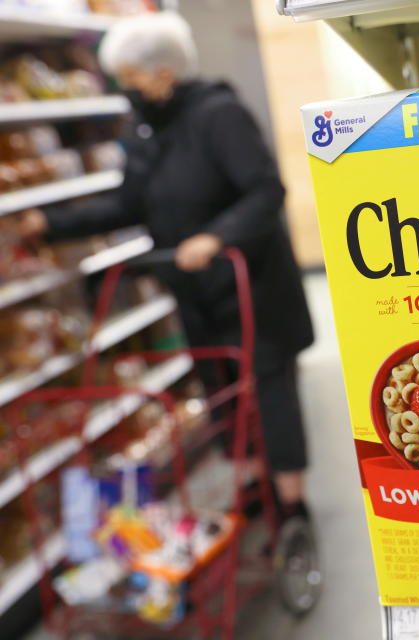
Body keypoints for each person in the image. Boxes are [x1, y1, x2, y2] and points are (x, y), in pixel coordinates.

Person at [20, 12, 314, 521]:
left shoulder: (219, 114)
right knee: (218, 384)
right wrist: (50, 224)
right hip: (195, 289)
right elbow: (127, 203)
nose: (123, 87)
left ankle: (291, 501)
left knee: (270, 391)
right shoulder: (144, 129)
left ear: (161, 73)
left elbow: (266, 191)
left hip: (252, 284)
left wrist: (215, 236)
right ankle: (249, 483)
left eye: (129, 76)